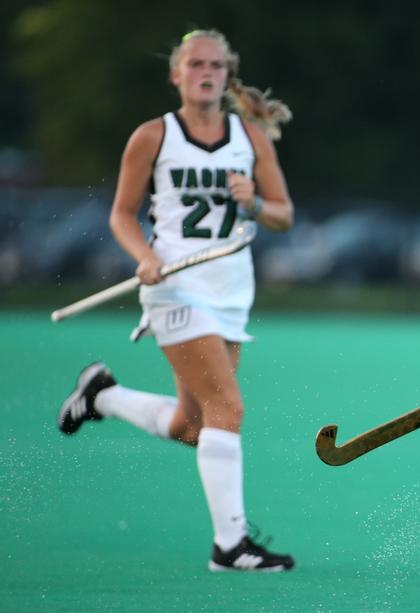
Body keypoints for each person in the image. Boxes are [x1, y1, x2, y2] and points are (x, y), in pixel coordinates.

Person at [57, 29, 295, 572]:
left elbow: (284, 214)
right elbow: (122, 214)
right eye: (195, 65)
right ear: (176, 74)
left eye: (215, 66)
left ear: (227, 75)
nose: (205, 73)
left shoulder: (250, 138)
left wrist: (254, 204)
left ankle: (103, 396)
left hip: (231, 290)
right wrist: (143, 255)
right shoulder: (153, 136)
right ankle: (230, 545)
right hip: (174, 288)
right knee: (228, 408)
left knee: (195, 426)